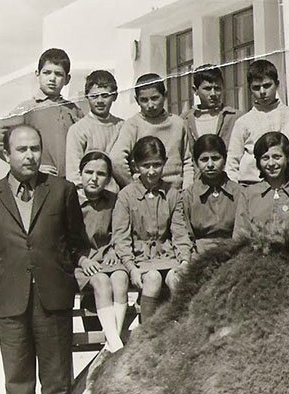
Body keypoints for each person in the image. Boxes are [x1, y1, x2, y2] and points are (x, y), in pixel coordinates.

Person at [0, 124, 90, 394]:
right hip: (10, 299)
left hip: (52, 296)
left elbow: (77, 242)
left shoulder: (62, 191)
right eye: (22, 150)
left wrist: (72, 274)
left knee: (56, 376)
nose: (29, 156)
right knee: (18, 378)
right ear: (7, 154)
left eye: (35, 149)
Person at [112, 136, 190, 321]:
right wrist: (131, 268)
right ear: (136, 166)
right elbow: (121, 237)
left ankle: (180, 330)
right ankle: (148, 333)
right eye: (146, 165)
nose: (152, 171)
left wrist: (184, 260)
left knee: (177, 279)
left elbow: (180, 233)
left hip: (167, 256)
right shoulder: (126, 196)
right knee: (153, 278)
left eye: (157, 164)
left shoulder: (173, 193)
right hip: (141, 260)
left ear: (165, 163)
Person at [0, 47, 84, 176]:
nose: (52, 78)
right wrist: (29, 165)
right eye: (47, 72)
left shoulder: (73, 110)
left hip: (68, 182)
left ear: (67, 79)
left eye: (58, 74)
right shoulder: (28, 108)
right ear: (37, 74)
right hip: (39, 181)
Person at [73, 152, 130, 352]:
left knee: (121, 277)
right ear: (80, 174)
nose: (94, 178)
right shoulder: (70, 201)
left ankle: (112, 339)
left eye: (101, 173)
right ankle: (115, 342)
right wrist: (81, 260)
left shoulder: (115, 201)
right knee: (101, 281)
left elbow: (120, 230)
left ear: (108, 178)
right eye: (89, 172)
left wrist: (115, 249)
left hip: (107, 257)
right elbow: (63, 241)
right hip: (81, 263)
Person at [110, 73, 193, 190]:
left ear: (165, 95)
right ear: (137, 100)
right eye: (144, 100)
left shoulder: (178, 123)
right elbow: (116, 160)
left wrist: (186, 191)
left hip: (175, 192)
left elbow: (187, 161)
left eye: (154, 98)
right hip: (145, 194)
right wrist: (134, 188)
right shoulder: (133, 125)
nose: (150, 105)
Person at [226, 59, 289, 184]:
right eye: (256, 88)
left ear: (277, 84)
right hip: (251, 187)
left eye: (267, 85)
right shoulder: (243, 122)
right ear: (250, 89)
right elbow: (232, 163)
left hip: (288, 185)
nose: (262, 92)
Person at [234, 131, 289, 241]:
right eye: (265, 158)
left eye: (277, 157)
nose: (271, 163)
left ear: (287, 158)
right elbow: (239, 236)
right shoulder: (248, 195)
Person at [174, 134, 241, 255]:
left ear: (225, 159)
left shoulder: (240, 193)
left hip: (233, 253)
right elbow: (186, 235)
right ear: (196, 162)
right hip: (200, 255)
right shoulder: (188, 196)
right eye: (204, 159)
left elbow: (243, 233)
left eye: (215, 158)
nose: (210, 165)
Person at [65, 70, 124, 187]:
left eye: (105, 95)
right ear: (87, 96)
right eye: (94, 96)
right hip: (89, 197)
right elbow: (74, 176)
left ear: (115, 96)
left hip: (119, 197)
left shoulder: (122, 126)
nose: (100, 101)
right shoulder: (78, 130)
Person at [181, 63, 239, 151]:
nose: (213, 94)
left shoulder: (235, 117)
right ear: (195, 90)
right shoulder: (184, 120)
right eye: (207, 89)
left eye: (217, 88)